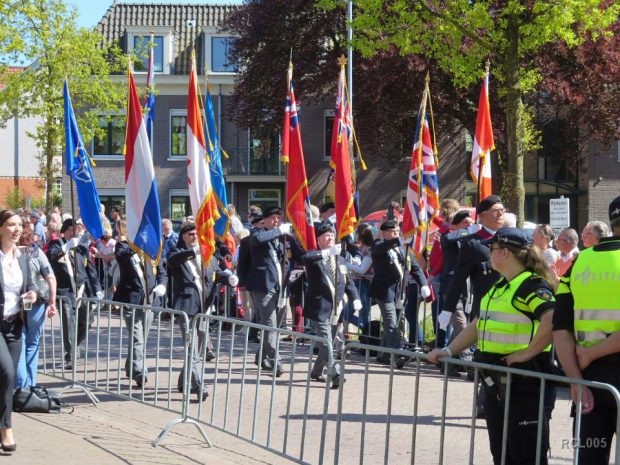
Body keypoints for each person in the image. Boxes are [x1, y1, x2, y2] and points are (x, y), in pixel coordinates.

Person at [428, 227, 557, 465]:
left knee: (526, 456)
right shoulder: (500, 286)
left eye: (492, 248)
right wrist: (447, 351)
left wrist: (527, 353)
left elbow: (552, 318)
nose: (488, 252)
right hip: (496, 384)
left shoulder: (532, 285)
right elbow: (478, 326)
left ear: (506, 253)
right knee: (501, 455)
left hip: (525, 384)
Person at [552, 195, 620, 465]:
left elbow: (559, 327)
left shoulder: (579, 263)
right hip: (593, 366)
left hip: (588, 381)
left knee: (589, 456)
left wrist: (575, 380)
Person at [303, 221, 361, 388]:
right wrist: (326, 252)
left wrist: (355, 297)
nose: (329, 238)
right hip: (320, 308)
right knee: (327, 341)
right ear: (319, 240)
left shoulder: (340, 259)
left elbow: (348, 282)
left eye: (332, 235)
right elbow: (305, 258)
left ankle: (316, 371)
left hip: (337, 309)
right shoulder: (314, 256)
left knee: (326, 343)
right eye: (325, 236)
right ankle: (334, 374)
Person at [245, 206, 299, 376]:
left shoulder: (284, 238)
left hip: (281, 289)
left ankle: (261, 357)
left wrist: (320, 254)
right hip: (263, 288)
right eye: (273, 219)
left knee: (273, 326)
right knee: (271, 326)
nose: (276, 221)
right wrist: (278, 231)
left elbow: (299, 255)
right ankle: (277, 361)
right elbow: (258, 240)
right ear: (264, 221)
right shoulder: (257, 234)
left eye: (278, 218)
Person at [113, 219, 167, 388]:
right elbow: (122, 256)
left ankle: (131, 365)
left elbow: (162, 269)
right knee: (137, 338)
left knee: (141, 337)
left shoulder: (150, 248)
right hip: (132, 301)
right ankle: (140, 372)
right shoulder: (122, 247)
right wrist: (134, 244)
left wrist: (162, 285)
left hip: (150, 300)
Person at [0, 209, 36, 452]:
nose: (17, 229)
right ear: (1, 228)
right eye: (11, 225)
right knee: (8, 372)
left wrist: (33, 294)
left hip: (15, 325)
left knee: (6, 382)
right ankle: (6, 429)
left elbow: (31, 284)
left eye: (19, 225)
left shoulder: (22, 257)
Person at [369, 218, 427, 368]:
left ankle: (383, 355)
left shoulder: (403, 248)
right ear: (384, 233)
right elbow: (379, 250)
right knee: (391, 322)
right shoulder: (378, 245)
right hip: (384, 291)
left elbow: (415, 268)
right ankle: (398, 353)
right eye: (391, 231)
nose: (395, 233)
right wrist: (398, 240)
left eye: (397, 231)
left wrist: (424, 284)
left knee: (393, 323)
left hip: (400, 292)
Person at [46, 218, 103, 369]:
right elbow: (52, 256)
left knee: (87, 321)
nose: (74, 232)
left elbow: (90, 269)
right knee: (68, 324)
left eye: (75, 230)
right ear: (63, 231)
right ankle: (70, 355)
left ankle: (73, 345)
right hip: (65, 292)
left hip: (81, 290)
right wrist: (65, 247)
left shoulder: (81, 247)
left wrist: (97, 288)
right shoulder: (56, 244)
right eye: (70, 230)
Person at [15, 227, 57, 390]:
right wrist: (52, 302)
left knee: (20, 342)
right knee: (33, 344)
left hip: (17, 304)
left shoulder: (10, 254)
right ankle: (30, 386)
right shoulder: (37, 253)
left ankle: (20, 386)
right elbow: (51, 278)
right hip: (38, 303)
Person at [346, 225, 374, 334]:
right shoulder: (361, 248)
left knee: (363, 314)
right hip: (357, 283)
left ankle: (367, 332)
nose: (355, 234)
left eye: (356, 232)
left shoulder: (369, 250)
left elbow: (363, 270)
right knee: (346, 313)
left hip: (365, 285)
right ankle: (366, 330)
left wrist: (347, 265)